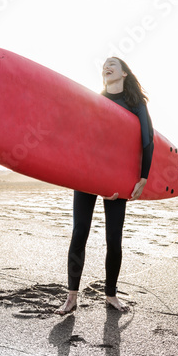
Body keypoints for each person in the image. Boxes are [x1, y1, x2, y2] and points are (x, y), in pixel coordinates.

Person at [55, 56, 154, 315]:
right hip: (87, 176)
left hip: (117, 180)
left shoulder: (135, 104)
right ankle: (71, 296)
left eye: (113, 64)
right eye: (103, 65)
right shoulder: (95, 100)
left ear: (123, 74)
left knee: (114, 239)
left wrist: (142, 178)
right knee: (79, 233)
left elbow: (147, 141)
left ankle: (111, 295)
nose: (106, 67)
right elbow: (82, 139)